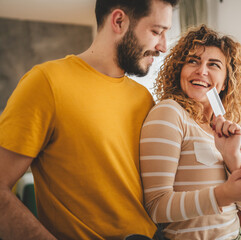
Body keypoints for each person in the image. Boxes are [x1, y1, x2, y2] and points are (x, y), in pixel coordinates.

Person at [0, 0, 178, 239]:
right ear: (119, 21)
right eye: (156, 31)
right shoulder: (46, 82)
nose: (163, 46)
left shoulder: (145, 98)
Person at [140, 25, 241, 240]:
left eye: (213, 65)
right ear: (180, 71)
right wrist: (224, 194)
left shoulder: (225, 130)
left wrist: (232, 158)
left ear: (224, 82)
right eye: (193, 61)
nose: (201, 70)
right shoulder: (169, 113)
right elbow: (157, 207)